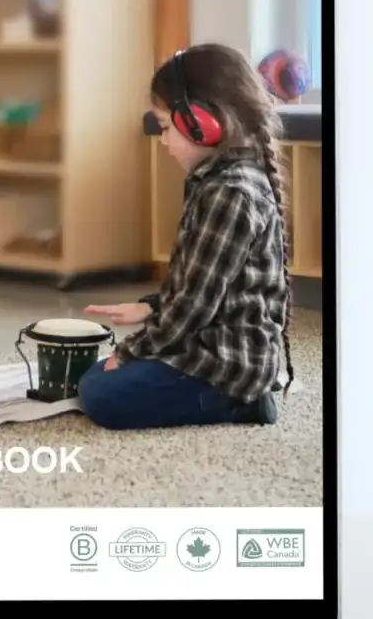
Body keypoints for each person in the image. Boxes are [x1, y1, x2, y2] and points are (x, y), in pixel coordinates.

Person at [78, 44, 294, 430]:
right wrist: (152, 307)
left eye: (164, 127)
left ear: (202, 121)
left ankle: (238, 404)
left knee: (99, 392)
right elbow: (208, 283)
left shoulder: (229, 194)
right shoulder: (214, 180)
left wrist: (132, 352)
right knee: (96, 375)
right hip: (209, 344)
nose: (162, 141)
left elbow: (194, 306)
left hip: (227, 366)